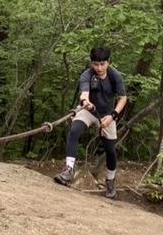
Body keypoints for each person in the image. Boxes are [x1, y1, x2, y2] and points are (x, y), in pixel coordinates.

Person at [54, 45, 127, 199]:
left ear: (108, 62)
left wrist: (113, 115)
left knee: (110, 150)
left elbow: (123, 98)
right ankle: (68, 170)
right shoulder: (87, 75)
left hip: (107, 114)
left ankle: (111, 180)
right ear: (91, 63)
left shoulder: (115, 76)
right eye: (95, 64)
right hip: (88, 110)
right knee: (74, 130)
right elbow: (84, 94)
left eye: (102, 64)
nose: (99, 67)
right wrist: (86, 102)